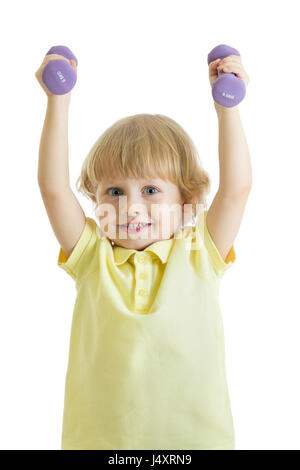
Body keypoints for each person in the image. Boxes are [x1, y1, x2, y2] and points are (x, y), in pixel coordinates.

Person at [35, 53, 251, 450]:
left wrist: (227, 108)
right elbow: (52, 189)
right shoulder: (90, 258)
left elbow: (236, 191)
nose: (129, 206)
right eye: (113, 191)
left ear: (187, 197)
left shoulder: (200, 253)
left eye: (150, 190)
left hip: (195, 444)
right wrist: (57, 98)